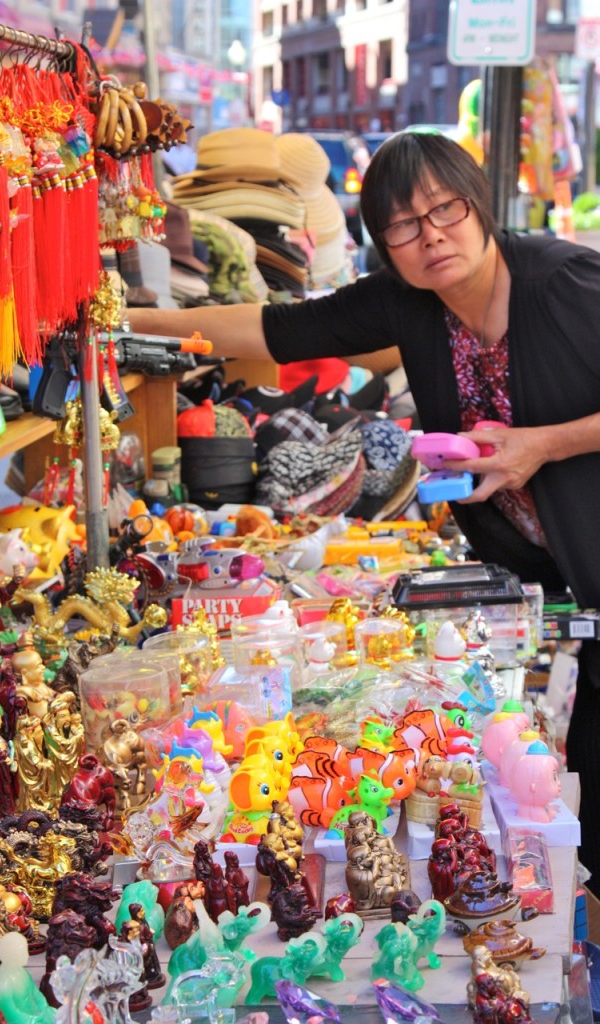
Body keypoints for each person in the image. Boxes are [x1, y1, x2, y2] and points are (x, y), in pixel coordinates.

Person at [127, 130, 600, 895]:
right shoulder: (410, 303)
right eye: (404, 226)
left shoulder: (562, 281)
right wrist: (122, 326)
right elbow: (278, 331)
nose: (431, 236)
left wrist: (540, 445)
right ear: (383, 243)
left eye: (444, 210)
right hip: (568, 580)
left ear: (478, 206)